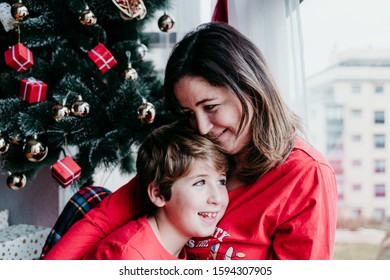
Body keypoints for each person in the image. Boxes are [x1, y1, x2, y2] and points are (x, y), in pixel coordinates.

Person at [44, 22, 338, 260]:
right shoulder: (193, 148)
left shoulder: (306, 176)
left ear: (250, 90)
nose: (202, 127)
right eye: (188, 113)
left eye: (211, 107)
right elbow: (104, 221)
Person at [82, 121, 229, 259]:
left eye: (221, 181)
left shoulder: (173, 247)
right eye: (199, 183)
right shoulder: (130, 256)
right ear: (159, 194)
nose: (217, 198)